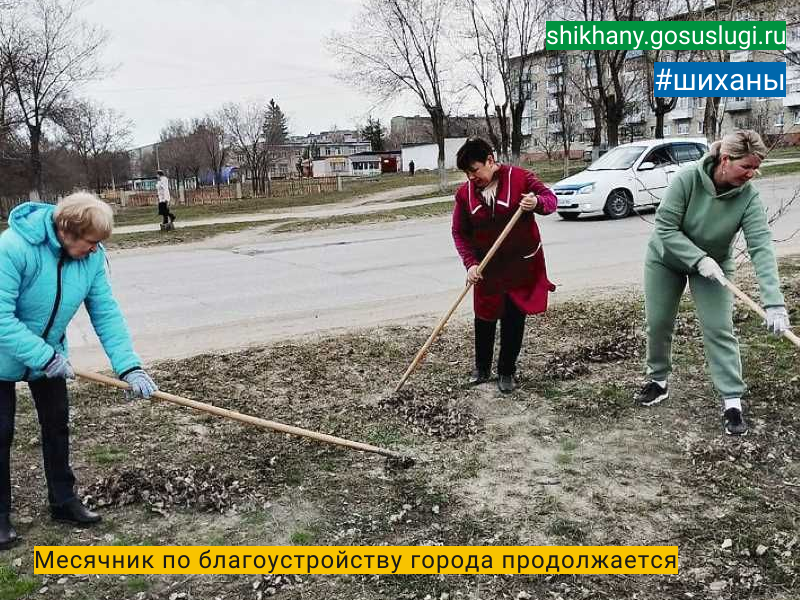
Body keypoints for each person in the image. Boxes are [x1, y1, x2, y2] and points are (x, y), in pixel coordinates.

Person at [0, 193, 159, 549]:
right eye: (90, 242)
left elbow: (106, 313)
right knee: (1, 431)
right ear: (66, 230)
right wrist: (43, 356)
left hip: (49, 357)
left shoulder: (91, 258)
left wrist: (128, 367)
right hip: (4, 353)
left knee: (57, 426)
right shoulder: (12, 247)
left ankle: (63, 501)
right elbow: (0, 318)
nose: (95, 250)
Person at [636, 130, 790, 436]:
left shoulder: (748, 197)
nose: (752, 173)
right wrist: (697, 258)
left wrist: (774, 303)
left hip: (715, 267)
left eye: (756, 167)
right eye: (746, 166)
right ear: (725, 159)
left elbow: (761, 247)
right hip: (666, 259)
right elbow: (665, 229)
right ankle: (658, 381)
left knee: (719, 328)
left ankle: (732, 400)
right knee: (659, 321)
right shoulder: (687, 180)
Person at [451, 138, 557, 393]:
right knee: (484, 318)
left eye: (474, 169)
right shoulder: (465, 194)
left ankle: (507, 371)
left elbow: (550, 200)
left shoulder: (520, 179)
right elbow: (459, 232)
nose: (471, 177)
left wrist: (537, 203)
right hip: (487, 270)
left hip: (519, 268)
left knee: (513, 319)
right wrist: (470, 264)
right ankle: (482, 368)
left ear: (490, 160)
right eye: (466, 173)